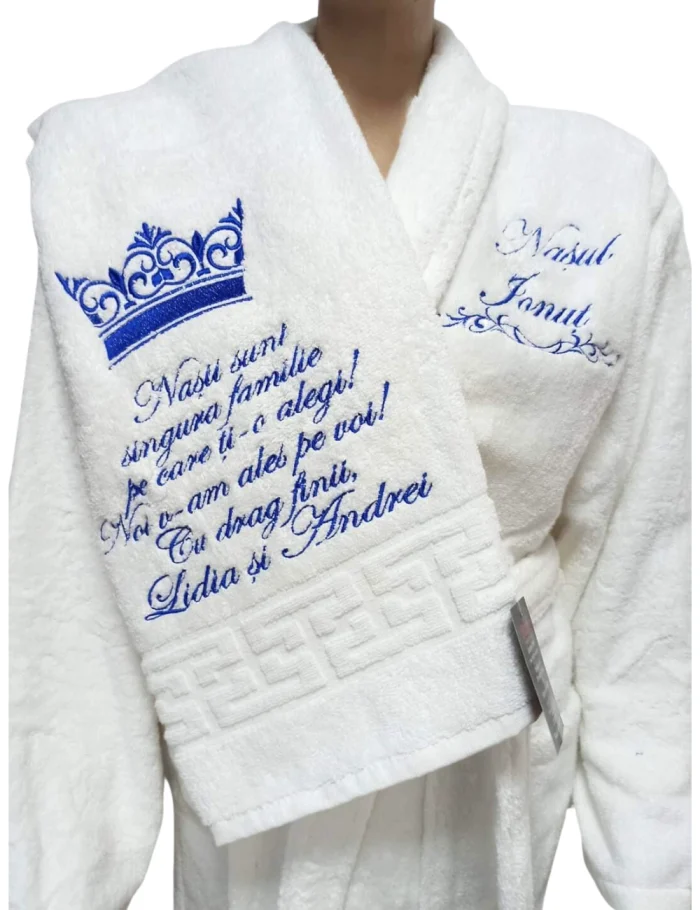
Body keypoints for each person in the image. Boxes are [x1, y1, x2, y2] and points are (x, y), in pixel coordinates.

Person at [9, 2, 691, 909]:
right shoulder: (133, 169)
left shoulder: (604, 188)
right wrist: (54, 870)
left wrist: (662, 864)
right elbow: (75, 572)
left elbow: (641, 569)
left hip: (483, 781)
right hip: (258, 772)